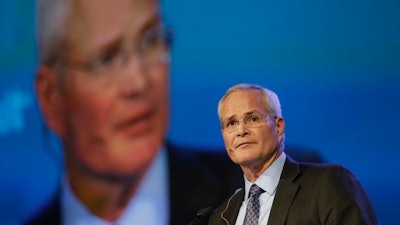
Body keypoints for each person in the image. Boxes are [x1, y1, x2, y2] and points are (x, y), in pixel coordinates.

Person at [25, 0, 324, 224]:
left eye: (151, 40)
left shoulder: (293, 186)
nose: (140, 82)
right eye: (107, 59)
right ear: (52, 98)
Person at [208, 83, 377, 225]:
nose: (241, 131)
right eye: (231, 123)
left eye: (253, 119)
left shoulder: (327, 185)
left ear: (279, 127)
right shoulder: (221, 216)